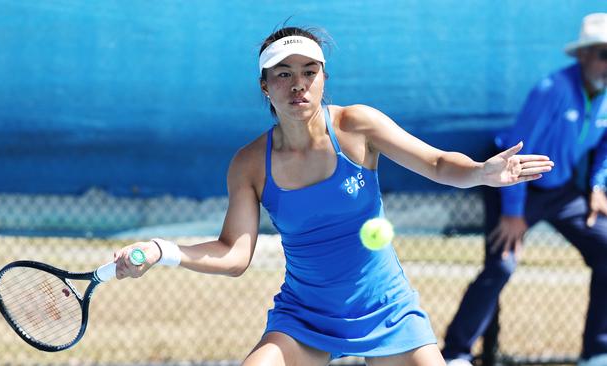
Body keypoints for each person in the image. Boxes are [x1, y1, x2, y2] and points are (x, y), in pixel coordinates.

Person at [112, 26, 553, 366]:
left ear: (324, 79)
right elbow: (233, 254)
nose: (297, 84)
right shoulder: (248, 164)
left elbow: (437, 163)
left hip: (387, 311)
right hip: (304, 317)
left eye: (309, 72)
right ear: (265, 86)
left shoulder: (358, 126)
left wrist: (480, 173)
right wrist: (162, 249)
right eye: (283, 74)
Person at [442, 13, 607, 366]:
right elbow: (519, 153)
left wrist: (598, 185)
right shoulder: (553, 90)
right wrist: (513, 212)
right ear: (583, 56)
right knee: (501, 266)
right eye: (603, 54)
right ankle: (455, 354)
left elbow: (605, 146)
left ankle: (597, 352)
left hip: (561, 191)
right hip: (511, 183)